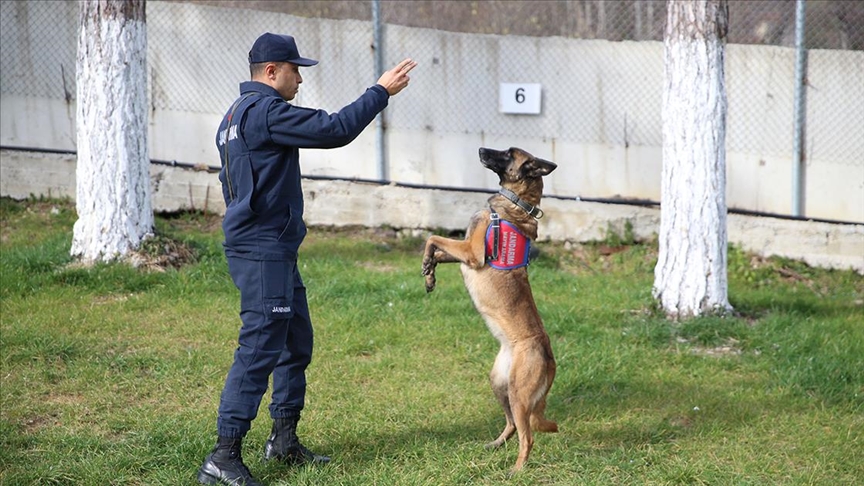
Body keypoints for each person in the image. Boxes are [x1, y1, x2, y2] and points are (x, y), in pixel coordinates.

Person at [198, 32, 416, 486]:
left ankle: (283, 440)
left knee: (296, 343)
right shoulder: (264, 112)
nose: (300, 78)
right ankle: (223, 456)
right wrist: (380, 91)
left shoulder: (234, 116)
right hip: (263, 252)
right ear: (271, 72)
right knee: (259, 348)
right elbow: (334, 130)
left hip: (270, 248)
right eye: (295, 69)